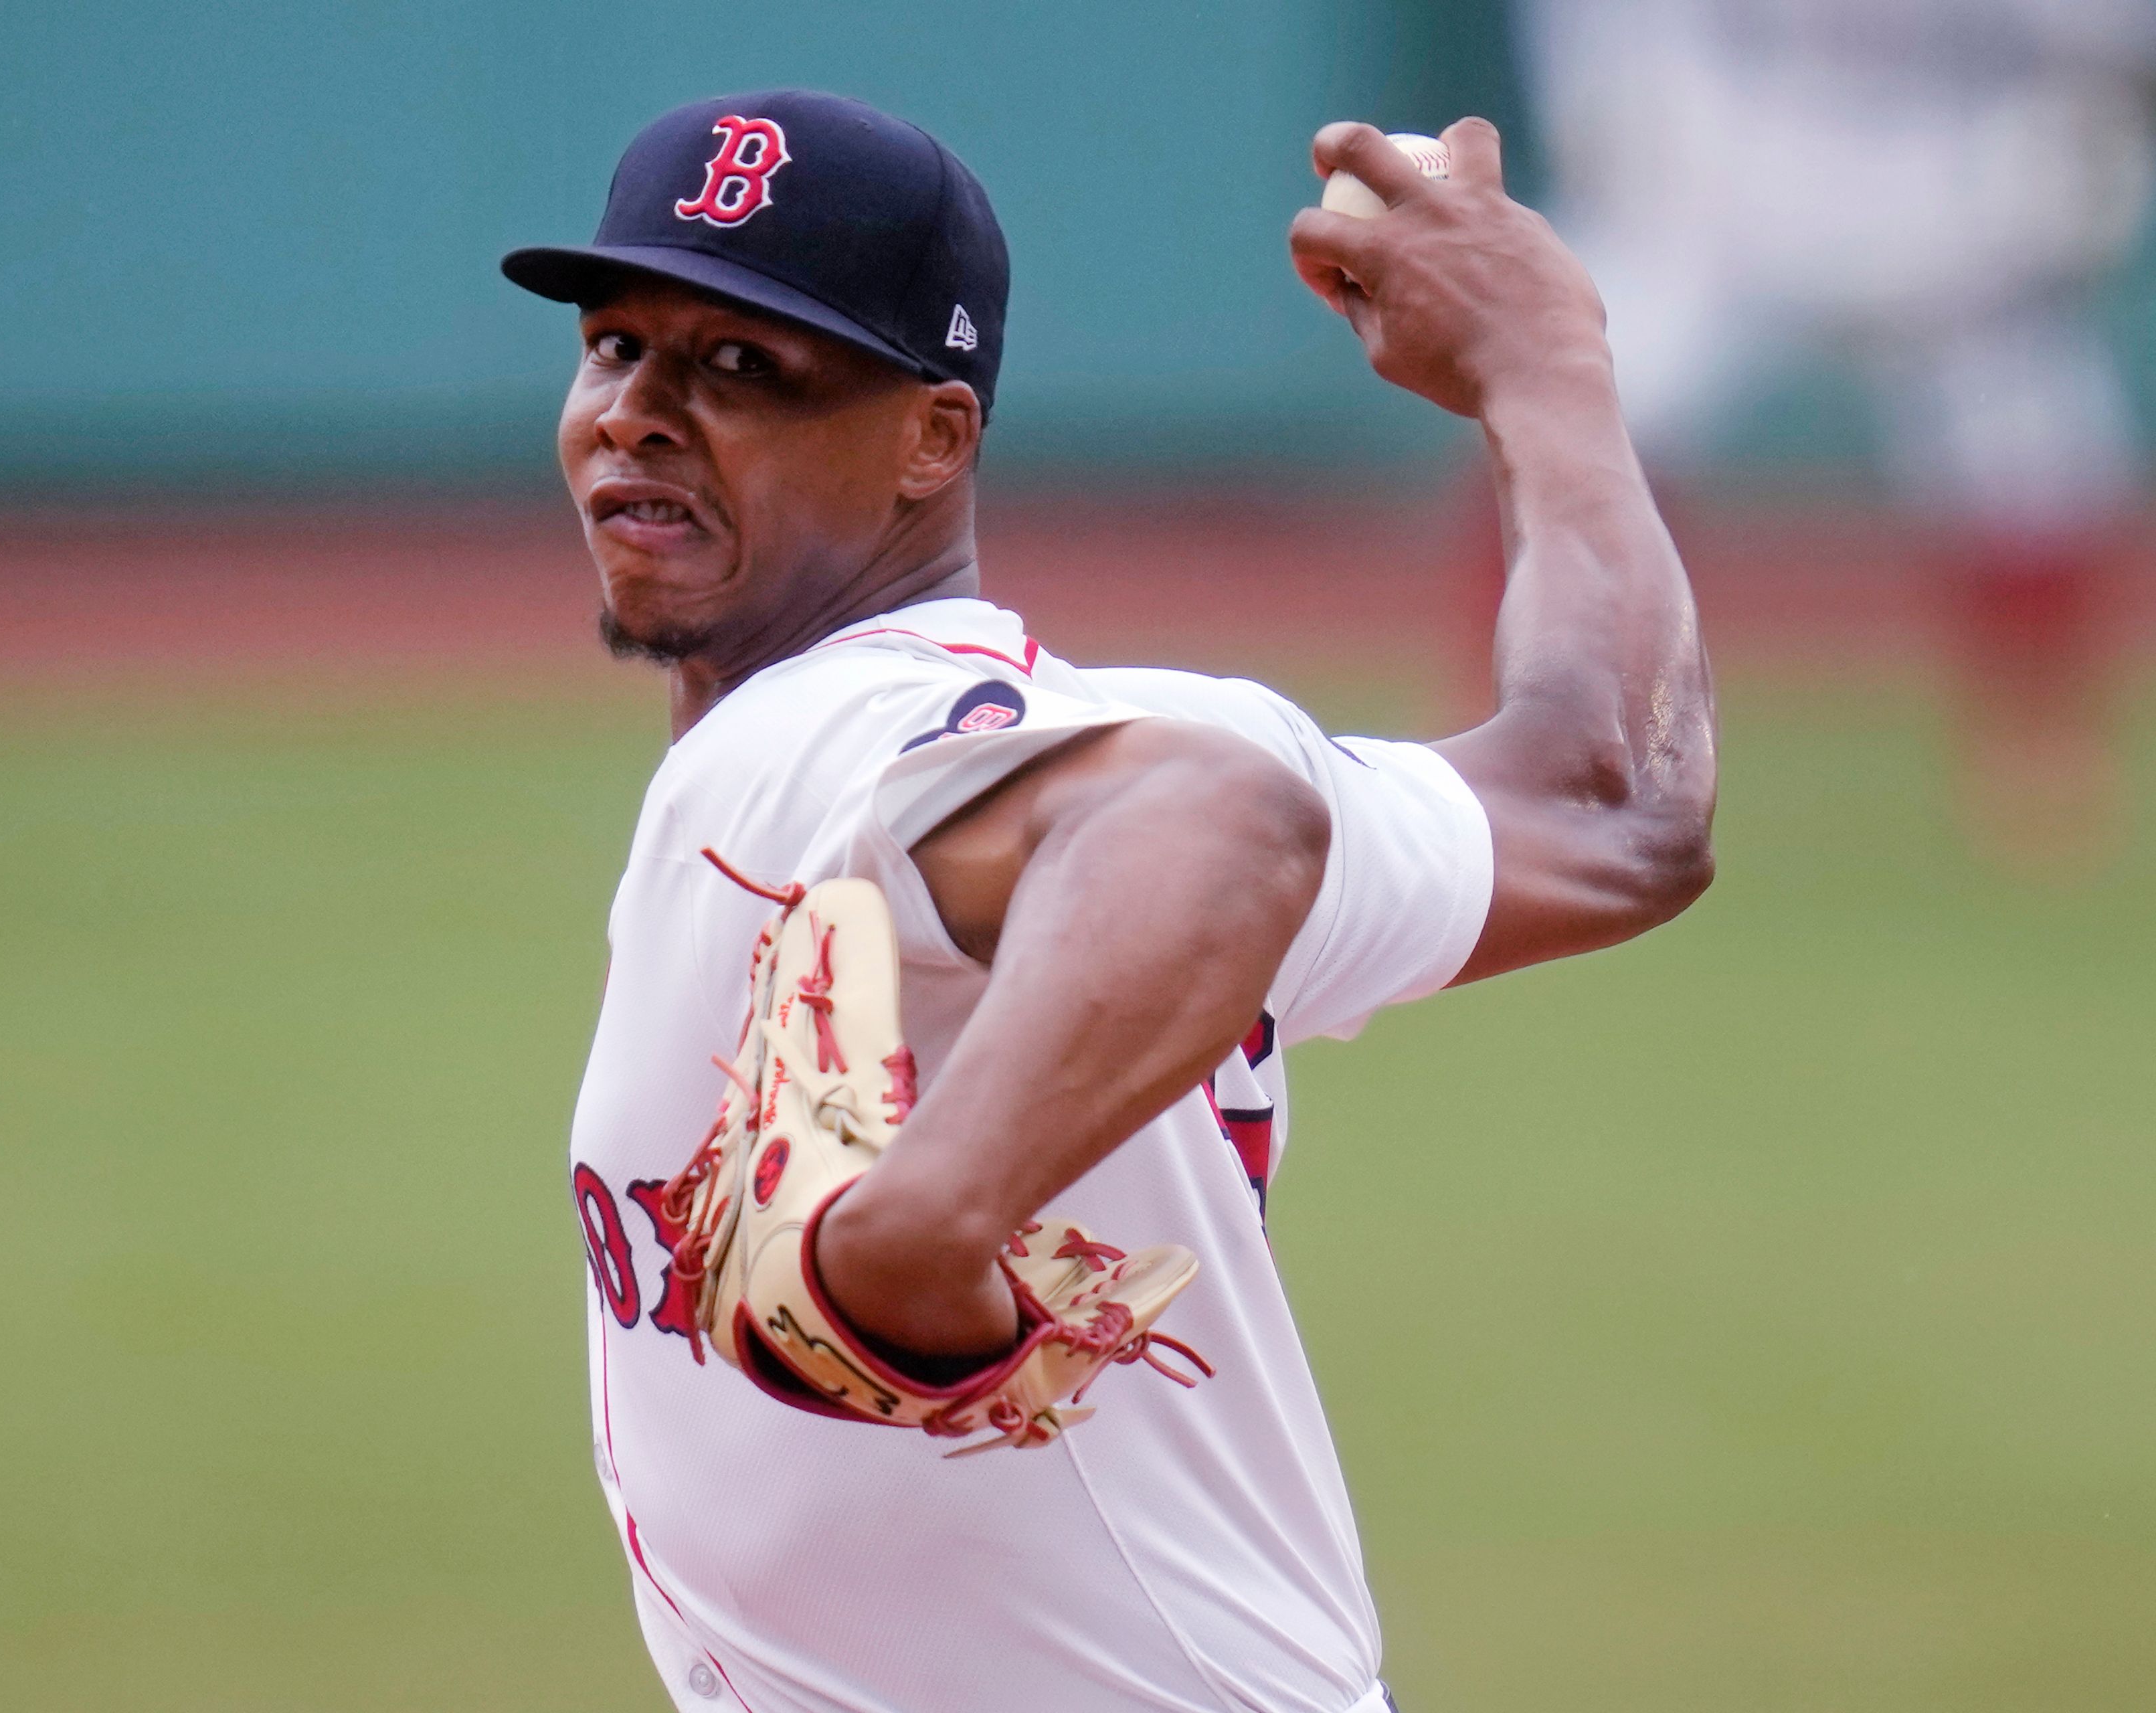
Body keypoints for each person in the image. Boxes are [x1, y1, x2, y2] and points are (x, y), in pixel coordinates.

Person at [505, 90, 1716, 1713]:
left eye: (742, 368)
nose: (634, 414)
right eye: (613, 347)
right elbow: (1614, 801)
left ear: (935, 438)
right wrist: (1548, 374)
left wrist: (922, 1225)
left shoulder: (829, 741)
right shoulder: (998, 752)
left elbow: (1215, 814)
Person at [1514, 0, 2154, 868]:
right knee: (1588, 389)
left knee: (2036, 439)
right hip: (1724, 190)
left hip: (1957, 202)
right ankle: (1528, 724)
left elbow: (2104, 71)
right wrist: (1682, 176)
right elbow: (1610, 64)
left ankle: (2036, 751)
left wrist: (2048, 189)